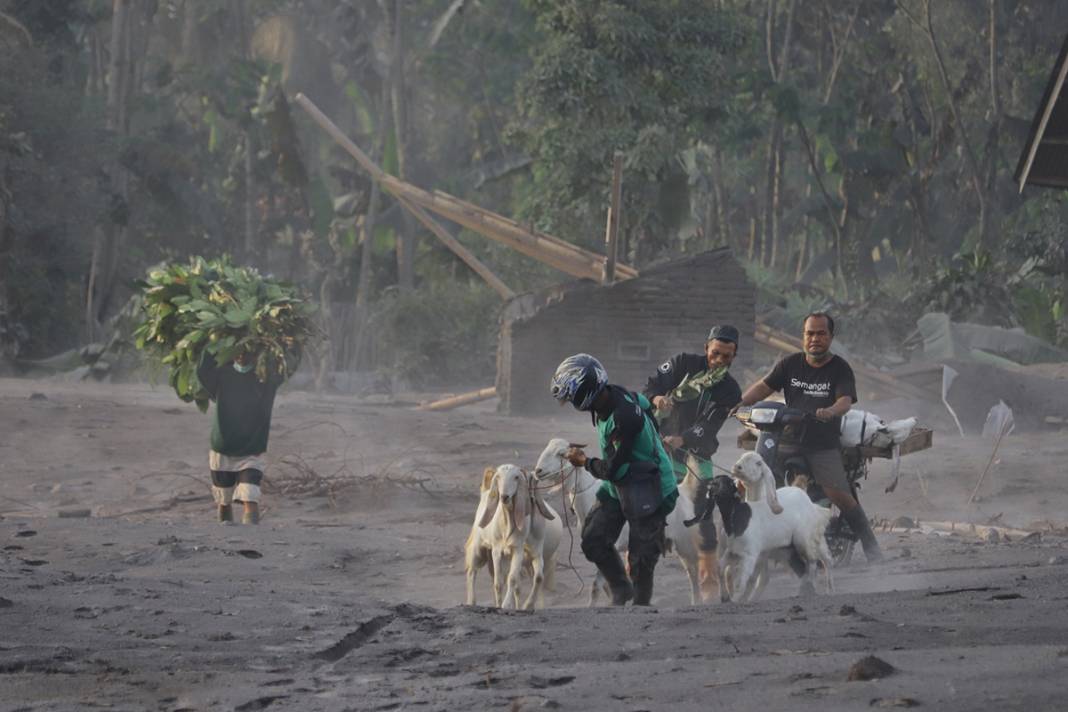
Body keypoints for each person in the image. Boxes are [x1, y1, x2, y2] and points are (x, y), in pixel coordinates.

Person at [735, 312, 883, 563]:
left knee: (838, 494)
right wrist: (738, 404)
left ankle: (873, 550)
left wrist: (830, 411)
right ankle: (744, 538)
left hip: (821, 443)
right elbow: (763, 386)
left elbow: (845, 401)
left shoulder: (840, 368)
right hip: (785, 438)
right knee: (746, 479)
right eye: (810, 333)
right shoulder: (790, 363)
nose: (815, 338)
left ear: (830, 337)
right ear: (803, 336)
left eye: (821, 333)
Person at [551, 353, 678, 605]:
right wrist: (653, 437)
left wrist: (584, 462)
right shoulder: (615, 395)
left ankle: (641, 609)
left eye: (570, 397)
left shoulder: (623, 417)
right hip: (620, 486)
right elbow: (645, 404)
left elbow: (612, 470)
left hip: (653, 488)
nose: (569, 403)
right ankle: (621, 589)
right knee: (593, 539)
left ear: (583, 393)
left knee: (641, 559)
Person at [643, 324, 742, 600]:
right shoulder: (681, 364)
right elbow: (651, 386)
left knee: (702, 517)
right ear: (706, 348)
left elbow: (709, 426)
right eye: (715, 353)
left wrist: (682, 439)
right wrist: (658, 398)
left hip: (697, 455)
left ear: (734, 356)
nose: (719, 360)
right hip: (660, 451)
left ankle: (710, 581)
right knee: (644, 508)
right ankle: (635, 577)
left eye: (726, 356)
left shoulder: (731, 391)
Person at [196, 349, 283, 525]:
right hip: (223, 446)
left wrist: (288, 345)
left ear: (255, 355)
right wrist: (212, 345)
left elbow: (283, 369)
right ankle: (226, 539)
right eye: (238, 352)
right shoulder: (221, 375)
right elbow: (202, 371)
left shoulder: (265, 378)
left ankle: (250, 539)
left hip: (252, 448)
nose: (242, 356)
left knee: (250, 499)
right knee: (224, 501)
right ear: (230, 353)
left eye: (248, 352)